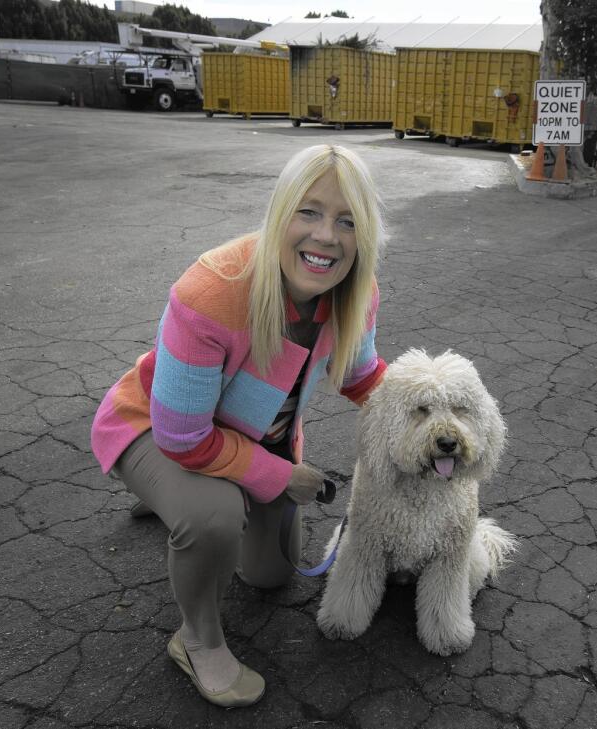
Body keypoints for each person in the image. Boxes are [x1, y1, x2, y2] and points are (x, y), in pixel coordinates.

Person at [90, 144, 387, 708]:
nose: (327, 236)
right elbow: (184, 438)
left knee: (271, 578)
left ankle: (176, 500)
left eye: (348, 221)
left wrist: (431, 417)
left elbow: (362, 377)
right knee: (211, 518)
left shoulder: (357, 292)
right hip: (156, 430)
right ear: (279, 211)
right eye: (309, 211)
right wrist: (282, 477)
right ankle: (197, 639)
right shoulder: (211, 292)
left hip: (252, 444)